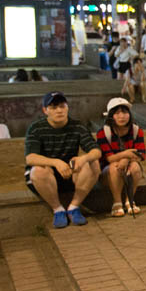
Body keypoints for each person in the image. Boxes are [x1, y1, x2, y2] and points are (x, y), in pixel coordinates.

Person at [24, 92, 101, 229]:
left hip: (70, 172)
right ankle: (58, 209)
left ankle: (74, 206)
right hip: (47, 175)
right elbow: (30, 158)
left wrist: (83, 158)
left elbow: (96, 151)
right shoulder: (36, 128)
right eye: (53, 107)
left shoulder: (77, 126)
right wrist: (55, 162)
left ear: (67, 107)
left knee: (93, 163)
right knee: (38, 170)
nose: (59, 110)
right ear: (45, 110)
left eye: (62, 106)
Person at [96, 97, 146, 216]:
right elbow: (109, 158)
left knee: (135, 167)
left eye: (124, 112)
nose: (122, 116)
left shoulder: (136, 130)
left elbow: (141, 155)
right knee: (114, 166)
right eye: (117, 113)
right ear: (110, 116)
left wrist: (126, 158)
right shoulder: (103, 133)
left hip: (129, 167)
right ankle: (117, 202)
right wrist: (126, 154)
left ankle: (130, 200)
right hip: (108, 172)